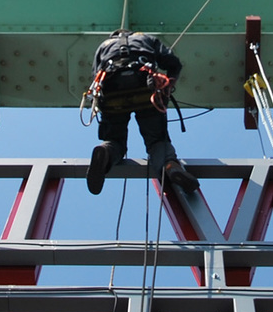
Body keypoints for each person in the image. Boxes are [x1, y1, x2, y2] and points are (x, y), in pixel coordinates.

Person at [85, 30, 199, 194]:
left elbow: (95, 74)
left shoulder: (104, 46)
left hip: (112, 92)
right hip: (145, 88)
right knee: (157, 141)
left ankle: (106, 152)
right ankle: (169, 166)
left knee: (114, 139)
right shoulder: (146, 39)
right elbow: (173, 63)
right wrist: (169, 83)